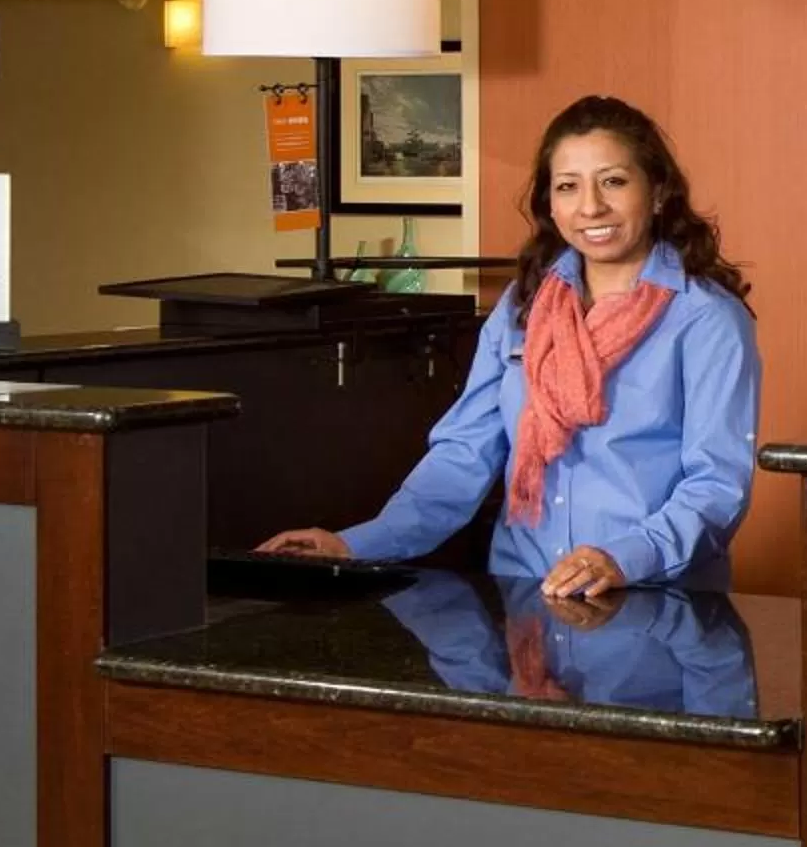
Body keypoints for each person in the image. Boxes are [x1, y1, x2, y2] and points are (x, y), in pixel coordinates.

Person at [259, 95, 760, 595]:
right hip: (525, 596)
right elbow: (465, 454)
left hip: (652, 602)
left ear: (656, 193)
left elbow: (716, 487)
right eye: (568, 187)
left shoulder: (707, 319)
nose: (590, 206)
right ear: (550, 204)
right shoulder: (523, 308)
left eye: (613, 181)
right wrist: (353, 546)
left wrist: (623, 559)